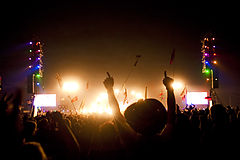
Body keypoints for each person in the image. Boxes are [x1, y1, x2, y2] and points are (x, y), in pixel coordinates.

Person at [103, 71, 176, 158]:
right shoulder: (163, 140)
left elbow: (117, 115)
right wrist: (170, 89)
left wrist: (109, 89)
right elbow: (171, 115)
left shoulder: (131, 140)